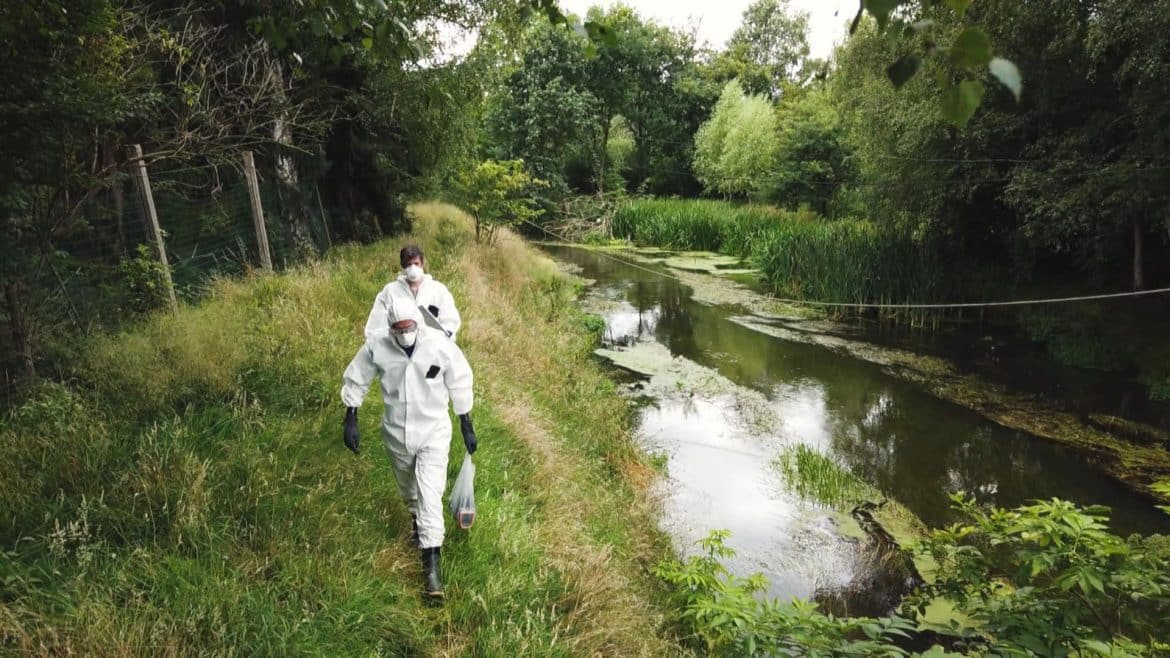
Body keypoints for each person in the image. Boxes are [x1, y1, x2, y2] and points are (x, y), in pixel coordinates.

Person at [341, 296, 478, 599]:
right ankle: (418, 522)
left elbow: (460, 379)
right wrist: (350, 415)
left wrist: (465, 421)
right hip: (396, 434)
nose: (404, 333)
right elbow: (357, 378)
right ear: (390, 327)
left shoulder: (438, 345)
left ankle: (432, 569)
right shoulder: (378, 346)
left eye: (409, 327)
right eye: (398, 328)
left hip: (433, 432)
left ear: (417, 323)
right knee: (410, 493)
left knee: (430, 495)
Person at [364, 244, 461, 343]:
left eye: (416, 263)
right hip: (399, 349)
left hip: (432, 348)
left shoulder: (438, 290)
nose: (413, 267)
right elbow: (376, 324)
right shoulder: (390, 291)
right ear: (403, 266)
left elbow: (450, 319)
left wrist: (444, 338)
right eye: (409, 264)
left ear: (423, 263)